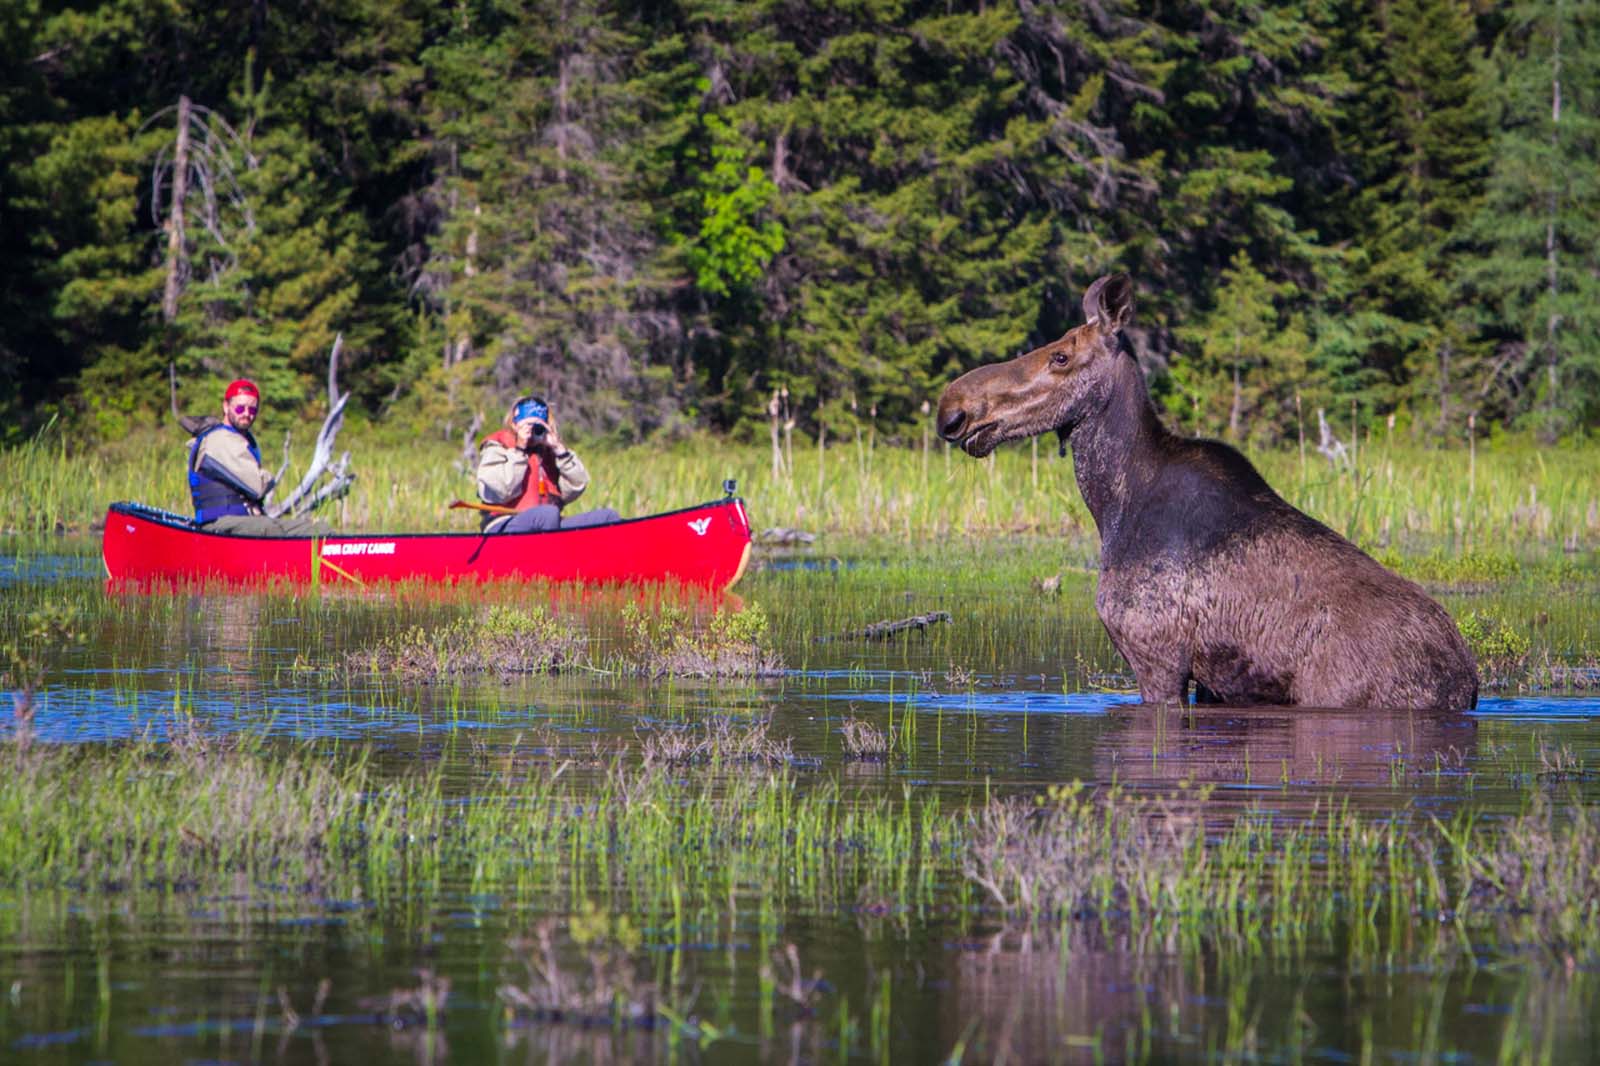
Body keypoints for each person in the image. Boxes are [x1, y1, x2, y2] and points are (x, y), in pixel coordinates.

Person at [187, 378, 334, 536]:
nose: (246, 414)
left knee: (319, 530)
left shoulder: (240, 439)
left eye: (252, 410)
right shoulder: (219, 439)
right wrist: (268, 477)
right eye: (240, 408)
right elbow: (257, 486)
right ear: (226, 406)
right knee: (268, 528)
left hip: (243, 521)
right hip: (219, 524)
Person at [475, 395, 621, 533]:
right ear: (514, 424)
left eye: (537, 427)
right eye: (527, 425)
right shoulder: (497, 447)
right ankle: (550, 557)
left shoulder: (548, 453)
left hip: (547, 524)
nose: (532, 432)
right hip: (504, 526)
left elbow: (576, 487)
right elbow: (500, 490)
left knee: (608, 517)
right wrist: (520, 450)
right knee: (548, 514)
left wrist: (560, 450)